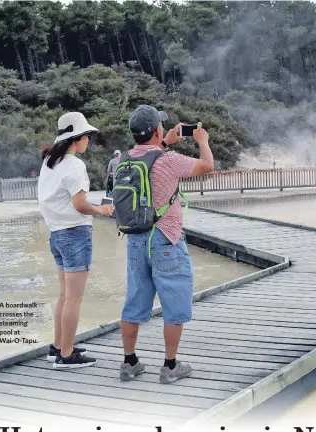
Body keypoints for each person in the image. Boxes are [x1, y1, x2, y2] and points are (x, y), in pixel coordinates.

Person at [119, 105, 214, 384]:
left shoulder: (125, 159)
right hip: (166, 238)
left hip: (135, 239)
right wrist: (203, 142)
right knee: (174, 299)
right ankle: (170, 366)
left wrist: (165, 140)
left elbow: (147, 152)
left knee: (134, 299)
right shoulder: (168, 160)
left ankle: (130, 363)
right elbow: (207, 166)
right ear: (157, 130)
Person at [38, 112, 115, 369]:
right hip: (74, 234)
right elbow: (80, 205)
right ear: (77, 138)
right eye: (87, 137)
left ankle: (58, 346)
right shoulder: (74, 165)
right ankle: (66, 356)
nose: (89, 142)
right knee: (73, 299)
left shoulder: (50, 161)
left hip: (57, 234)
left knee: (64, 296)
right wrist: (101, 210)